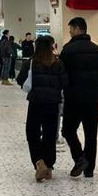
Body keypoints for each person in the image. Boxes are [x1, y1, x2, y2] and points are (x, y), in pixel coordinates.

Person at [59, 17, 98, 178]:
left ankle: (80, 158)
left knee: (68, 130)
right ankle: (89, 169)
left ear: (77, 29)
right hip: (91, 99)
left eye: (70, 30)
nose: (70, 33)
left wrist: (61, 91)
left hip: (73, 99)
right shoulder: (97, 50)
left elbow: (62, 74)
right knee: (91, 134)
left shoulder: (67, 50)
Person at [16, 35, 68, 182]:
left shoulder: (31, 62)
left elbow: (20, 79)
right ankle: (49, 166)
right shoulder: (58, 63)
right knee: (50, 134)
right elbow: (65, 82)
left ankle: (39, 162)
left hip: (36, 102)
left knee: (32, 132)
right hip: (53, 103)